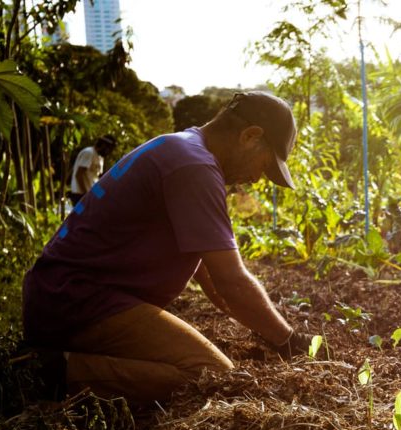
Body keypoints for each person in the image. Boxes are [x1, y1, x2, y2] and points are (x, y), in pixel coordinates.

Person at [23, 91, 308, 403]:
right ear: (250, 136)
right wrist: (289, 340)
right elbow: (232, 281)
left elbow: (211, 272)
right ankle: (52, 372)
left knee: (205, 368)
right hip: (76, 300)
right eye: (264, 166)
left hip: (63, 293)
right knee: (211, 375)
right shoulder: (195, 167)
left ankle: (65, 361)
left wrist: (243, 310)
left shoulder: (182, 147)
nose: (256, 179)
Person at [68, 134, 116, 205]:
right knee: (83, 216)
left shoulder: (100, 158)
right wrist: (86, 195)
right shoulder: (89, 153)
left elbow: (96, 178)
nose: (109, 152)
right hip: (80, 194)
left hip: (89, 194)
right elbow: (79, 175)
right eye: (109, 149)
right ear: (103, 145)